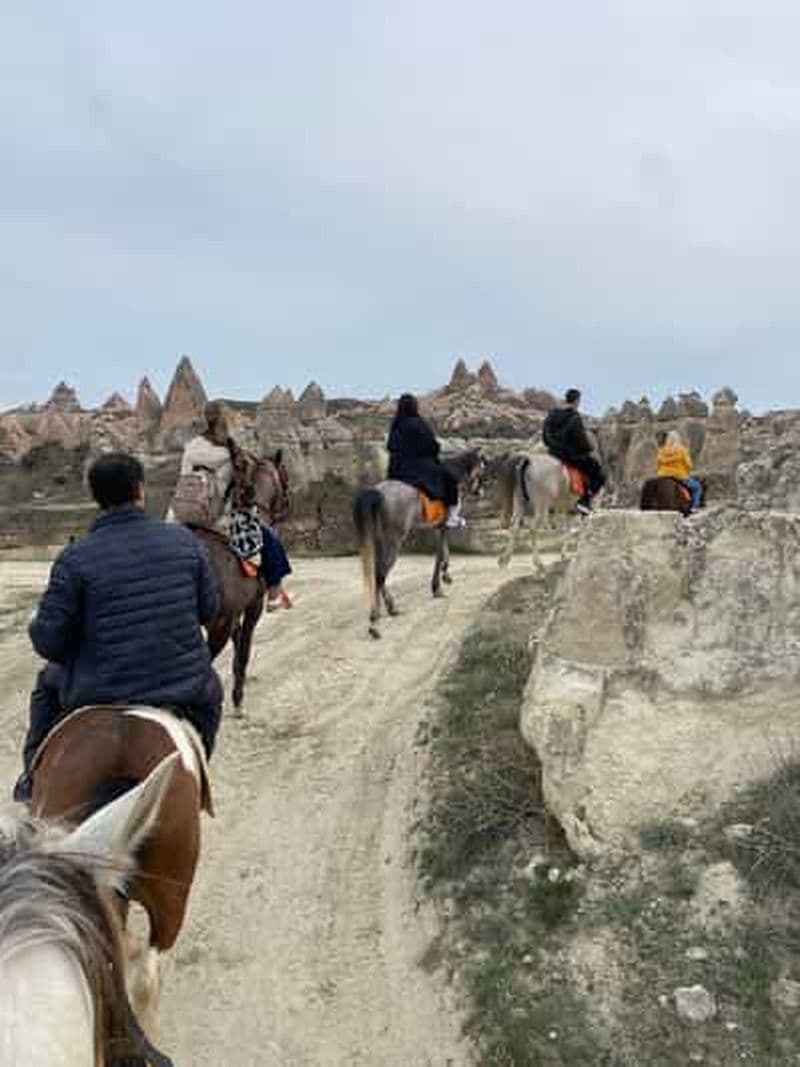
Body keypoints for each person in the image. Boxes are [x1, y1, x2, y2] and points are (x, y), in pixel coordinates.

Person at [13, 452, 223, 802]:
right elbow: (209, 611)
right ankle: (196, 779)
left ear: (96, 498)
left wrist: (41, 626)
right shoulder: (185, 542)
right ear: (140, 491)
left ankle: (30, 780)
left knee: (45, 688)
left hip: (97, 690)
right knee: (212, 693)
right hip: (179, 684)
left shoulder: (75, 557)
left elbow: (49, 643)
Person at [387, 394, 464, 528]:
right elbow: (432, 446)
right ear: (414, 406)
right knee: (451, 479)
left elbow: (390, 446)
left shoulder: (396, 424)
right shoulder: (418, 423)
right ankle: (452, 517)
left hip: (396, 469)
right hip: (418, 468)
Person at [542, 388, 606, 514]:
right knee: (598, 472)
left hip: (552, 453)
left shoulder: (551, 415)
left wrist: (553, 446)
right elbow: (580, 439)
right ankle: (585, 500)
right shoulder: (575, 417)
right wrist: (588, 448)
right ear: (576, 401)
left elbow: (545, 436)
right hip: (570, 456)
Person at [657, 428, 703, 513]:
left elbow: (658, 464)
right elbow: (689, 465)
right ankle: (694, 507)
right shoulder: (682, 450)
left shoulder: (662, 450)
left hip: (662, 475)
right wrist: (687, 471)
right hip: (679, 476)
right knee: (697, 487)